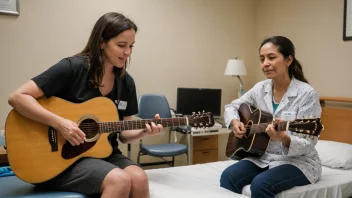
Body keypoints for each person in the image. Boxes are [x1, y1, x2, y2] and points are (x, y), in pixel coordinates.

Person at [8, 12, 162, 198]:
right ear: (101, 42)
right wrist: (60, 123)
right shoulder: (72, 68)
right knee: (119, 180)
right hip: (60, 159)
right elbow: (17, 97)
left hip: (104, 153)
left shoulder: (126, 82)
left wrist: (143, 131)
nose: (127, 52)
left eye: (131, 46)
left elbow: (123, 134)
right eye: (121, 45)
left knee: (139, 178)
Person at [220, 36, 322, 197]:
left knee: (261, 184)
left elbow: (309, 143)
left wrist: (284, 139)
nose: (265, 63)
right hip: (263, 156)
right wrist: (235, 122)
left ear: (288, 60)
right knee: (228, 177)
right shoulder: (260, 88)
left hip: (297, 161)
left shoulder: (307, 94)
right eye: (262, 59)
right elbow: (232, 106)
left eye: (271, 57)